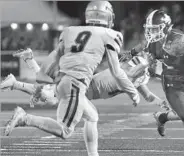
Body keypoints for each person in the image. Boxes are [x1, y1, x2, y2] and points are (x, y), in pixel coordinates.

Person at [4, 2, 140, 156]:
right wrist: (133, 92)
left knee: (92, 116)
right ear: (107, 16)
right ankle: (25, 118)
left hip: (64, 80)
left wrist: (39, 83)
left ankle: (93, 154)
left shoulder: (69, 31)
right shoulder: (110, 34)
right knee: (65, 130)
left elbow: (49, 65)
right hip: (75, 84)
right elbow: (116, 71)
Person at [129, 10, 184, 152]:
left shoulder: (180, 39)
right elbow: (145, 49)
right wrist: (140, 59)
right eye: (150, 29)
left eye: (155, 29)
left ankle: (162, 117)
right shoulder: (153, 42)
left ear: (166, 27)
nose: (151, 33)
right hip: (170, 83)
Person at [1, 48, 168, 109]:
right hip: (89, 85)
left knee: (50, 91)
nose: (160, 70)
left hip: (90, 88)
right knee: (50, 96)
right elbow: (129, 73)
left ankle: (26, 63)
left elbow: (147, 95)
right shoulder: (138, 66)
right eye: (159, 64)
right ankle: (16, 80)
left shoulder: (141, 77)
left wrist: (161, 103)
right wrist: (147, 61)